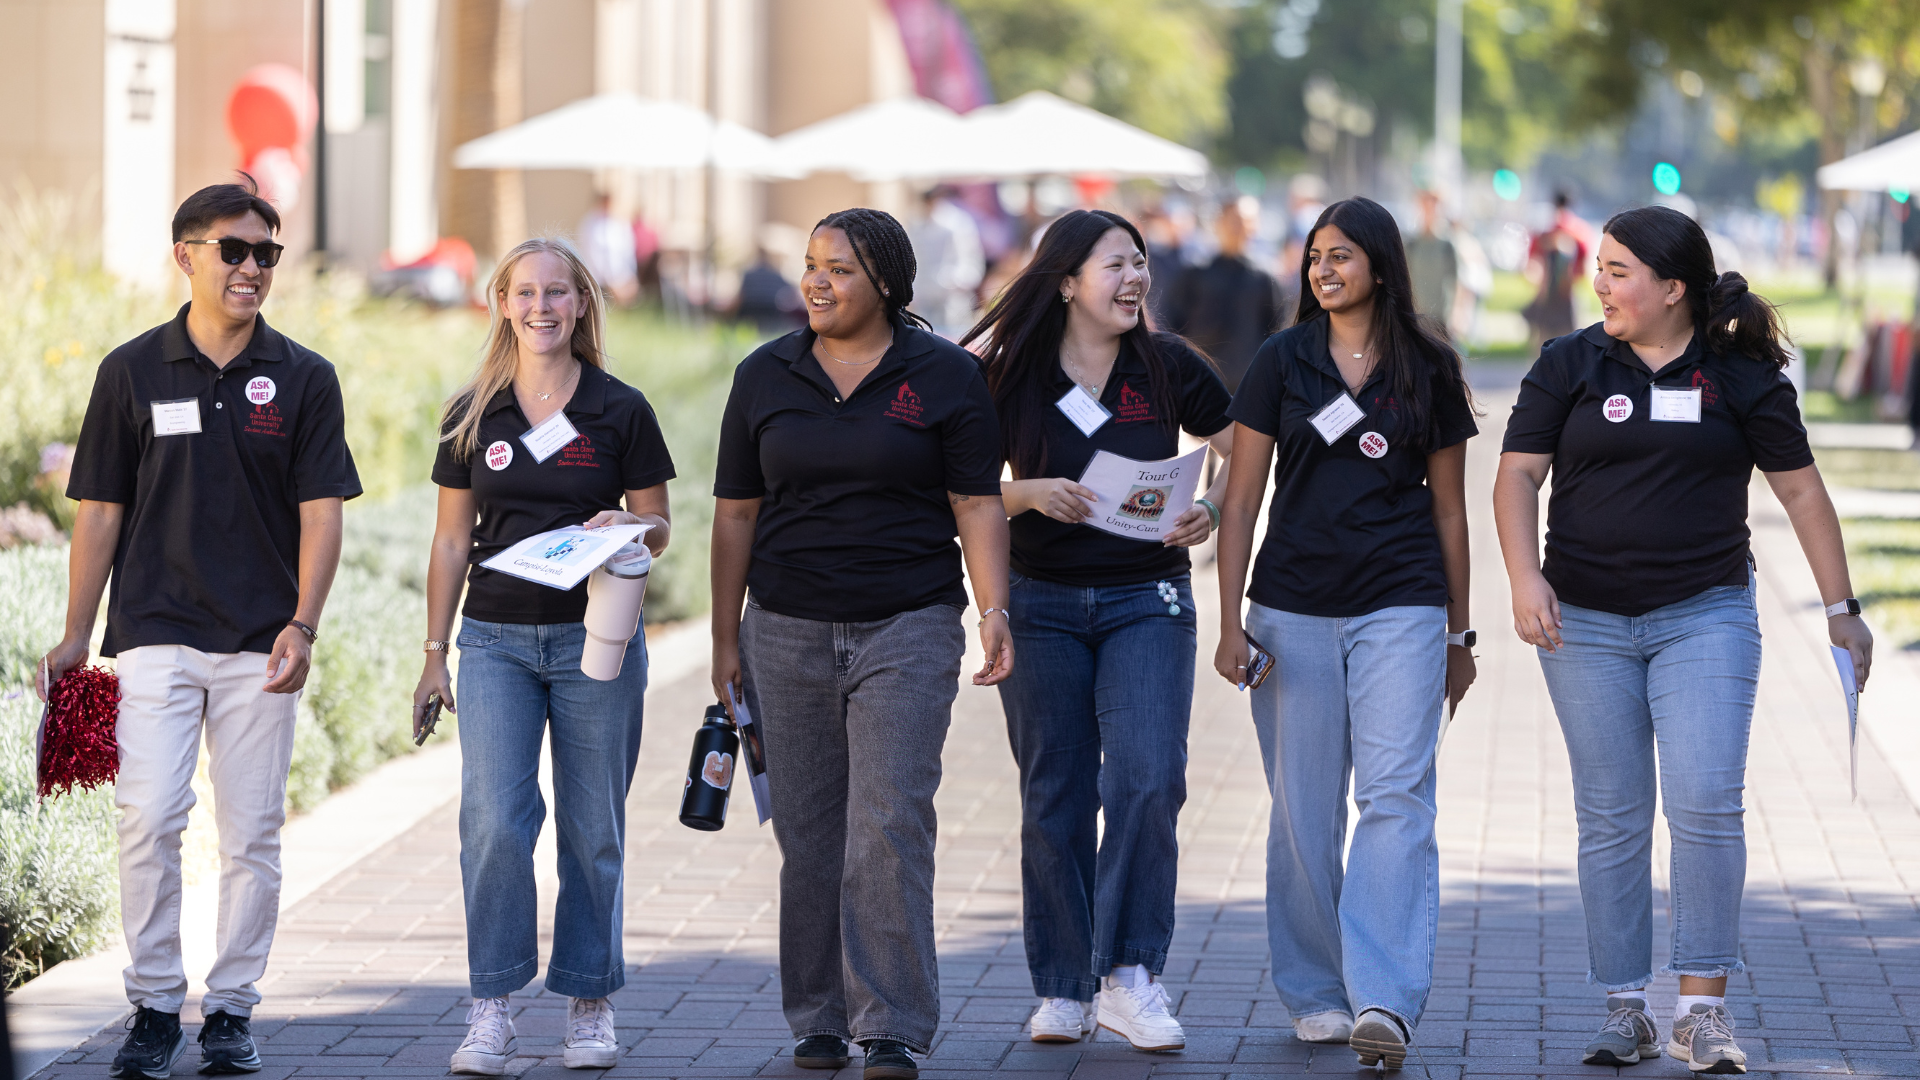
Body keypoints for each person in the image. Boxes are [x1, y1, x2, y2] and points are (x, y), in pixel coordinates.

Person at [1493, 205, 1874, 1074]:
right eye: (1600, 266)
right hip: (1581, 623)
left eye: (1619, 270)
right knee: (1613, 815)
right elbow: (1517, 475)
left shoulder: (1740, 376)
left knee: (1704, 803)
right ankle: (1624, 1005)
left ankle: (1701, 1012)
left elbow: (1803, 495)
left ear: (1673, 289)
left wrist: (1840, 607)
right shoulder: (1570, 363)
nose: (1600, 283)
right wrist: (1524, 576)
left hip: (1705, 614)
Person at [40, 180, 361, 1078]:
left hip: (262, 640)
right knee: (148, 816)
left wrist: (305, 622)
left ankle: (230, 1009)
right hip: (155, 630)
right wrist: (76, 631)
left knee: (253, 830)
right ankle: (151, 1004)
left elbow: (322, 513)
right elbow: (99, 510)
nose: (253, 267)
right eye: (235, 250)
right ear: (187, 255)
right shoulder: (131, 370)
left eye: (267, 253)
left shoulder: (305, 377)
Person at [710, 208, 1013, 1080]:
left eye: (837, 269)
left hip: (908, 623)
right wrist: (727, 635)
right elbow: (735, 514)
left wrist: (993, 611)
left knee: (886, 822)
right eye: (810, 265)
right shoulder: (764, 374)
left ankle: (893, 1024)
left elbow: (977, 503)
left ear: (885, 280)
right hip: (785, 626)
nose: (816, 282)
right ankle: (818, 1015)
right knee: (808, 830)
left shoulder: (947, 375)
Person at [1212, 196, 1477, 1070]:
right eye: (1316, 256)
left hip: (1402, 602)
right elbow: (1241, 499)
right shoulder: (1279, 362)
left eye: (1342, 255)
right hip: (1290, 607)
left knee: (1397, 797)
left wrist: (1459, 636)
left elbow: (1450, 511)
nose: (1324, 269)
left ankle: (1385, 1000)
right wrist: (1228, 622)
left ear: (1381, 265)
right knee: (1303, 810)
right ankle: (1318, 991)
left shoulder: (1429, 367)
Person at [962, 210, 1235, 1052]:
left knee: (1149, 781)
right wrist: (1028, 493)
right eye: (1116, 264)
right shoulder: (1005, 372)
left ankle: (1131, 976)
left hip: (1146, 597)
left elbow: (1241, 449)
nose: (1135, 279)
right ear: (1068, 280)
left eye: (1141, 262)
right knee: (1056, 799)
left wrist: (1213, 508)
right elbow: (960, 488)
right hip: (1040, 602)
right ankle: (1063, 987)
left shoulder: (1167, 365)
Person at [415, 237, 674, 1075]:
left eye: (557, 292)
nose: (540, 307)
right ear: (501, 302)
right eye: (524, 292)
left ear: (582, 304)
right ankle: (491, 1006)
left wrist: (627, 528)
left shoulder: (619, 408)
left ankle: (589, 1002)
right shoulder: (471, 412)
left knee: (593, 827)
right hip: (493, 639)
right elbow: (452, 542)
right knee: (493, 821)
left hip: (594, 637)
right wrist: (433, 653)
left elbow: (661, 527)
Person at [1168, 196, 1284, 392]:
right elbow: (1173, 324)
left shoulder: (1264, 277)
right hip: (1200, 380)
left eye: (1244, 221)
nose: (1237, 227)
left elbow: (1277, 329)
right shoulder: (1195, 273)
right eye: (1232, 220)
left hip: (1249, 382)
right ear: (1218, 223)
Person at [908, 187, 987, 338]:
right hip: (925, 301)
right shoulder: (917, 226)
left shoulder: (958, 224)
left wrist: (954, 281)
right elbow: (915, 263)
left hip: (953, 301)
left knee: (954, 343)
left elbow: (972, 263)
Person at [1523, 192, 1587, 347]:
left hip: (1547, 292)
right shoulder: (1579, 232)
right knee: (1571, 343)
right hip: (1567, 292)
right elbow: (1582, 269)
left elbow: (1531, 266)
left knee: (1543, 342)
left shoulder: (1545, 232)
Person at [1404, 190, 1460, 334]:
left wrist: (1456, 315)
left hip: (1441, 317)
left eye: (1433, 206)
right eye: (1425, 206)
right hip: (1416, 316)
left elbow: (1455, 281)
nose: (1430, 211)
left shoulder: (1447, 245)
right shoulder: (1412, 244)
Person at [578, 193, 640, 306]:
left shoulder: (618, 222)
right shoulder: (590, 223)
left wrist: (628, 271)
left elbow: (626, 248)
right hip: (597, 271)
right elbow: (590, 250)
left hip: (618, 270)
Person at [733, 247, 805, 336]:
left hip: (749, 317)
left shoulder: (749, 275)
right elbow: (791, 295)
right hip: (773, 317)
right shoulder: (777, 275)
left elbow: (739, 298)